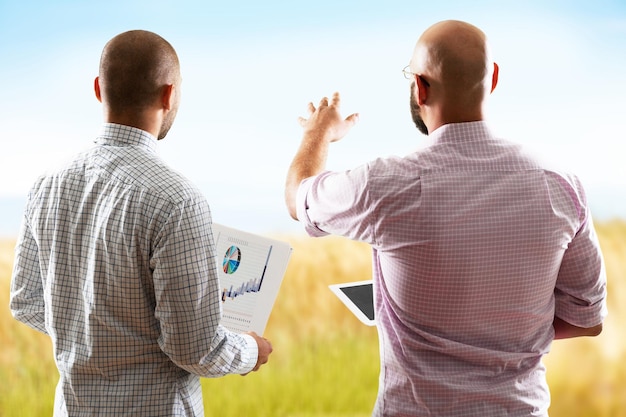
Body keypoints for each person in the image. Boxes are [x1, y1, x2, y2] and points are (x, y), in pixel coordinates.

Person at [285, 20, 607, 416]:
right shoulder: (560, 184)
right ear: (494, 80)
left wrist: (318, 133)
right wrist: (510, 336)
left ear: (419, 87)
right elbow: (589, 319)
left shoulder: (384, 183)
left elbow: (298, 197)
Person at [10, 30, 273, 416]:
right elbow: (195, 349)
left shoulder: (45, 184)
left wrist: (95, 334)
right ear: (169, 95)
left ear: (99, 89)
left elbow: (26, 301)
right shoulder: (177, 199)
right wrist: (251, 350)